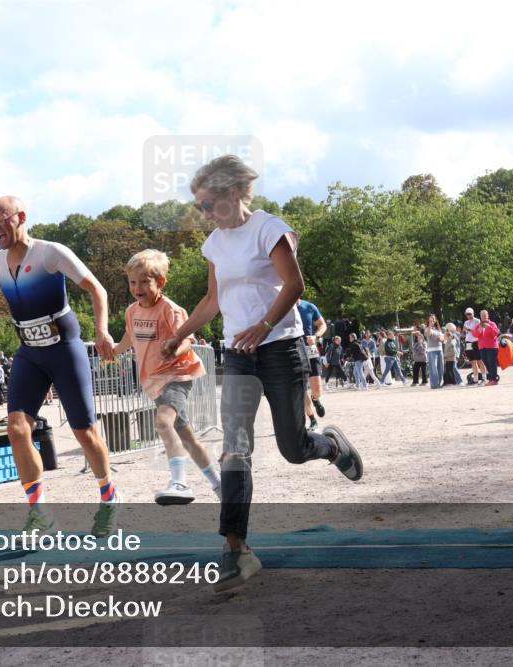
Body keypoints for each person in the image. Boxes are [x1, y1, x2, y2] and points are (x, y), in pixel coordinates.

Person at [161, 155, 363, 593]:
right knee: (235, 448)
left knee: (293, 447)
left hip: (281, 348)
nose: (204, 214)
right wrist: (179, 335)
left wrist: (265, 325)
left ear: (234, 193)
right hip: (238, 355)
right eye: (198, 206)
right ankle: (237, 550)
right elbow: (212, 300)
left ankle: (330, 446)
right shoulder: (214, 244)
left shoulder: (269, 229)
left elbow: (295, 285)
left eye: (208, 204)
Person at [0, 195, 122, 536]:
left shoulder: (50, 252)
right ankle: (40, 514)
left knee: (85, 433)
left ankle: (109, 497)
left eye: (1, 220)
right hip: (29, 352)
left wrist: (102, 331)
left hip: (64, 349)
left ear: (21, 217)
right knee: (17, 429)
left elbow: (97, 290)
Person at [112, 249, 222, 505]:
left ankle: (180, 482)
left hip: (177, 374)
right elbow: (129, 336)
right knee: (187, 437)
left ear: (160, 282)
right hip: (153, 381)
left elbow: (187, 340)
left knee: (163, 423)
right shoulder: (132, 311)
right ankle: (220, 485)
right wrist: (114, 351)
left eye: (144, 282)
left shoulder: (170, 309)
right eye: (132, 282)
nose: (137, 288)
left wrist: (175, 349)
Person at [296, 299, 328, 431]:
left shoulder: (309, 307)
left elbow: (323, 325)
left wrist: (316, 336)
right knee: (301, 388)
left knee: (317, 390)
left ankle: (315, 399)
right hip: (295, 350)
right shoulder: (283, 307)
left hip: (310, 348)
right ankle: (312, 419)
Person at [476, 310, 501, 385]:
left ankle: (494, 379)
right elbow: (475, 335)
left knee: (492, 362)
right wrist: (479, 329)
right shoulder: (479, 325)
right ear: (480, 316)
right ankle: (491, 378)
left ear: (488, 315)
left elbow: (496, 333)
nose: (484, 316)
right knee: (486, 362)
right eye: (482, 315)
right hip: (482, 347)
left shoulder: (492, 323)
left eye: (485, 315)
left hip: (492, 346)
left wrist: (489, 327)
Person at [462, 308, 487, 384]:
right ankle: (475, 379)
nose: (468, 316)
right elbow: (464, 332)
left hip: (476, 341)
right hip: (468, 342)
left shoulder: (477, 321)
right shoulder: (466, 322)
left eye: (470, 314)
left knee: (479, 360)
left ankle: (484, 378)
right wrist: (464, 330)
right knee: (472, 361)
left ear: (473, 313)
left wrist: (468, 329)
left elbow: (477, 332)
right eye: (467, 314)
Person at [424, 315, 445, 389]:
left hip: (439, 349)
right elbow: (428, 334)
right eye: (431, 319)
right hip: (431, 351)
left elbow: (442, 339)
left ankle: (439, 383)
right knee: (433, 368)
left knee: (441, 368)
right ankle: (434, 384)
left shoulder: (437, 329)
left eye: (433, 319)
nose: (432, 320)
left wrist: (441, 337)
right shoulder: (427, 328)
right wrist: (430, 325)